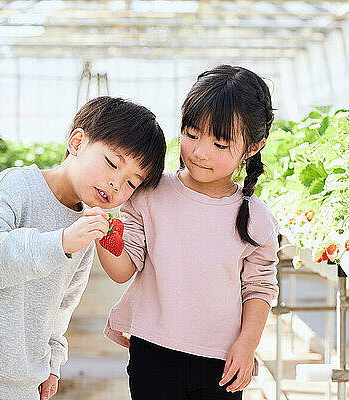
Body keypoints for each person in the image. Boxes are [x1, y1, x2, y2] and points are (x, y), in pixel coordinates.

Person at [0, 96, 167, 400]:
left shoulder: (82, 226)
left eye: (132, 183)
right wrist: (61, 242)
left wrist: (53, 360)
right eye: (112, 163)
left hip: (23, 380)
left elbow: (62, 304)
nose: (117, 184)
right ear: (77, 142)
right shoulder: (15, 187)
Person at [95, 65, 280, 399]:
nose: (200, 151)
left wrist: (248, 343)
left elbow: (259, 287)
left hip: (221, 362)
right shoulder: (149, 195)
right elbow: (123, 270)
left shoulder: (256, 218)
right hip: (153, 353)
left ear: (253, 147)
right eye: (192, 134)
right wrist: (102, 227)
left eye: (221, 143)